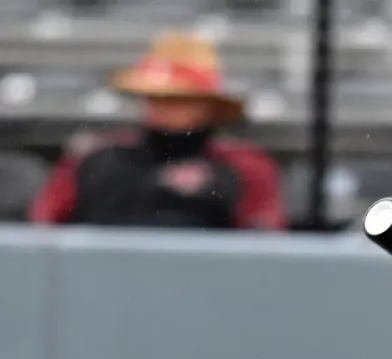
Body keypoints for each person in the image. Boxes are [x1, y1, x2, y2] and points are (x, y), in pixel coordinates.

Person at [28, 31, 286, 231]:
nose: (163, 108)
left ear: (209, 107)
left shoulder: (247, 169)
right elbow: (43, 229)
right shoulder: (95, 160)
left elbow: (263, 248)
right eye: (155, 98)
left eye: (179, 100)